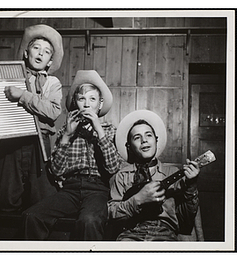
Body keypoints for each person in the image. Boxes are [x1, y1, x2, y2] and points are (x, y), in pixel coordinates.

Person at [0, 24, 64, 212]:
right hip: (10, 143)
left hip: (39, 145)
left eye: (46, 52)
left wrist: (23, 95)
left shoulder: (52, 83)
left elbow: (53, 111)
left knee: (41, 199)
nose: (40, 53)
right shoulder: (9, 77)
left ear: (49, 62)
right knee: (5, 198)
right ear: (26, 52)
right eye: (36, 47)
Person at [22, 70, 121, 240]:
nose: (87, 104)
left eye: (92, 99)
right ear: (76, 103)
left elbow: (113, 167)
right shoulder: (66, 131)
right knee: (32, 216)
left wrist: (99, 131)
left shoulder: (109, 131)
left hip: (97, 190)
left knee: (89, 221)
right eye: (82, 99)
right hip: (70, 189)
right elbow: (56, 171)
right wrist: (67, 136)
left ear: (100, 104)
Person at [108, 110, 200, 241]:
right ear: (129, 146)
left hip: (165, 234)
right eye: (137, 137)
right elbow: (112, 214)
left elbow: (187, 218)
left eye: (148, 135)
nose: (144, 140)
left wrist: (191, 185)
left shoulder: (173, 173)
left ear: (156, 141)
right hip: (130, 233)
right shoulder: (122, 176)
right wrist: (137, 200)